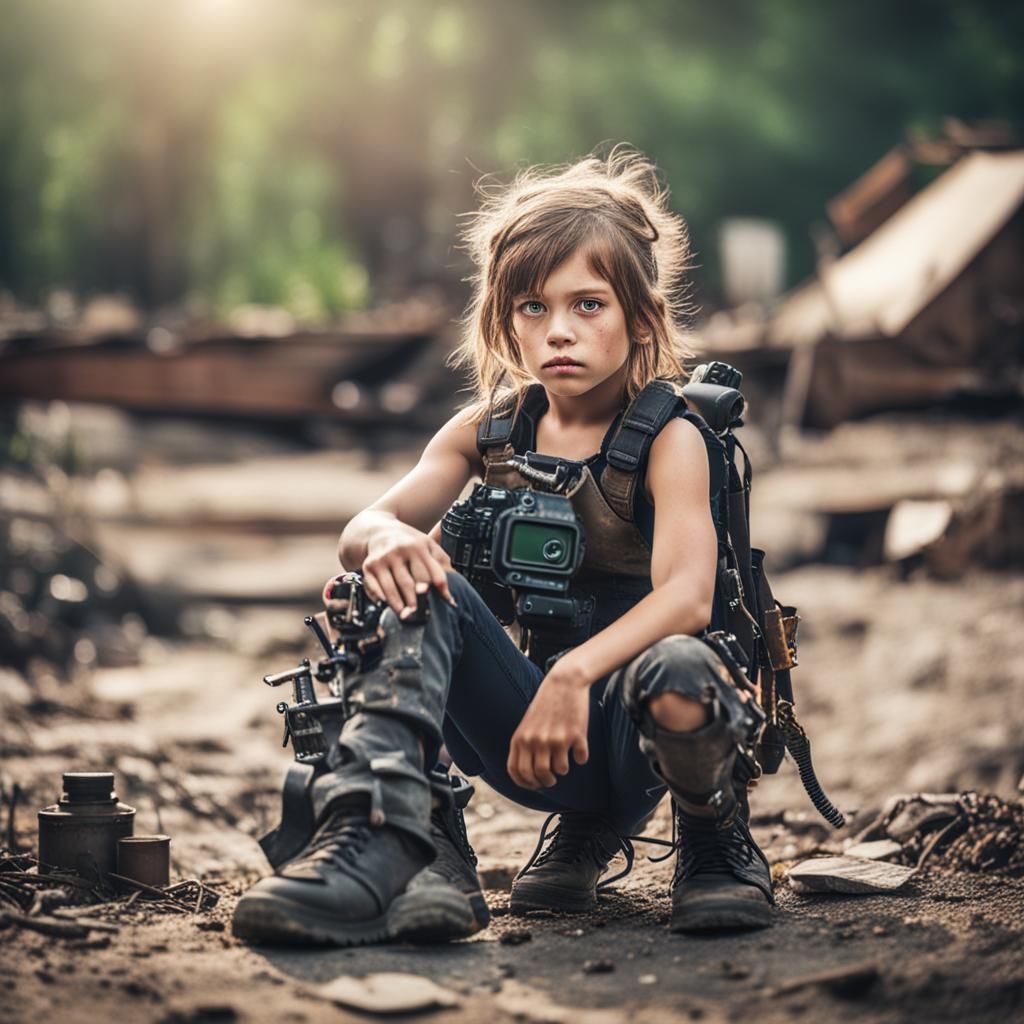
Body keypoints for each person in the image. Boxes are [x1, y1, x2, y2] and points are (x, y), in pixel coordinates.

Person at [232, 146, 773, 947]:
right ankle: (401, 844)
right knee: (410, 582)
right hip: (526, 736)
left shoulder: (672, 437)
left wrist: (574, 674)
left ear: (640, 318)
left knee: (682, 666)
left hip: (643, 737)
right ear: (502, 320)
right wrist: (390, 541)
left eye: (588, 305)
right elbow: (363, 528)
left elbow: (689, 598)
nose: (559, 330)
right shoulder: (487, 431)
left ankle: (713, 840)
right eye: (531, 307)